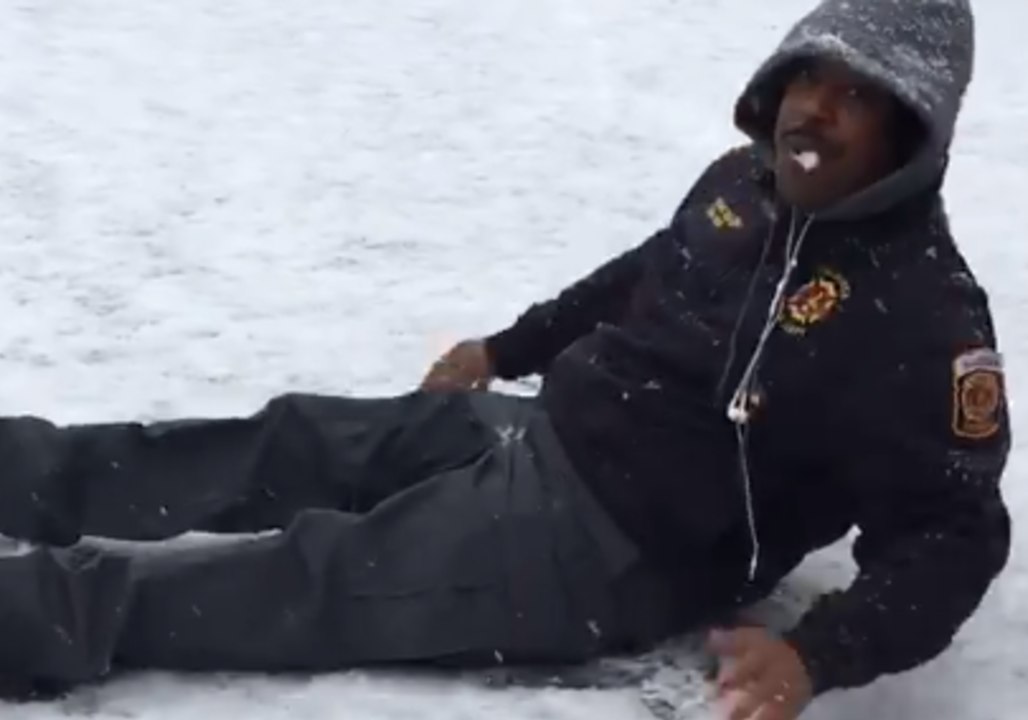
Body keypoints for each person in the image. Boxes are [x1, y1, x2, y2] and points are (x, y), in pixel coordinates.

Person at [0, 0, 1009, 718]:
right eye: (807, 75)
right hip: (542, 434)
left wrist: (816, 653)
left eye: (854, 97)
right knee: (285, 440)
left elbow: (951, 532)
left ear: (912, 132)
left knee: (300, 578)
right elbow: (647, 272)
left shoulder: (919, 320)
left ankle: (28, 615)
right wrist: (507, 347)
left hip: (607, 557)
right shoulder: (743, 185)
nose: (810, 110)